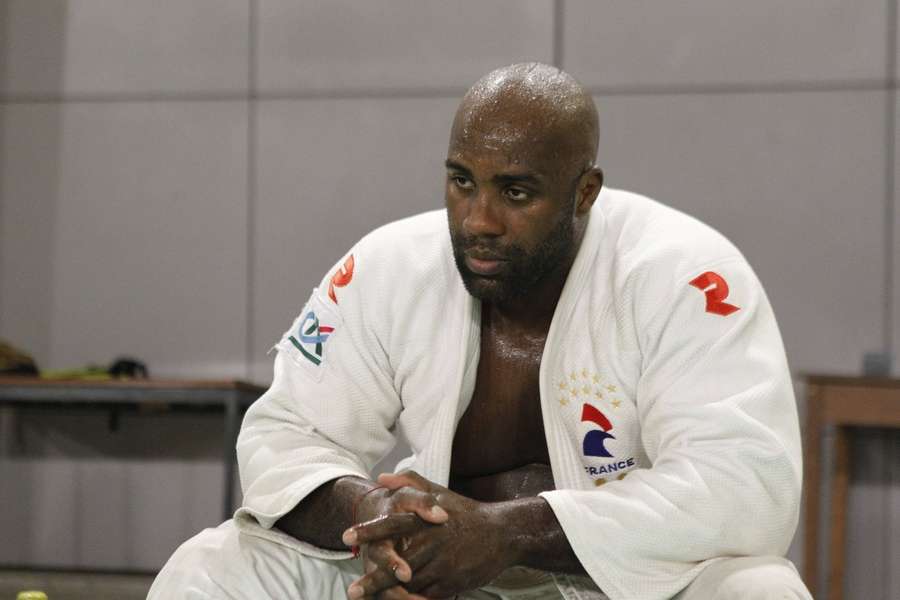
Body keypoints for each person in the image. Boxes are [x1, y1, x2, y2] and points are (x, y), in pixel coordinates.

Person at [149, 63, 813, 600]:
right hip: (423, 579)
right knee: (211, 568)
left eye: (517, 193)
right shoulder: (390, 266)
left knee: (758, 590)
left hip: (609, 581)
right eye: (462, 182)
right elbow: (285, 434)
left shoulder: (682, 276)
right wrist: (372, 522)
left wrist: (507, 534)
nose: (479, 220)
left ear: (585, 193)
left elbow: (743, 486)